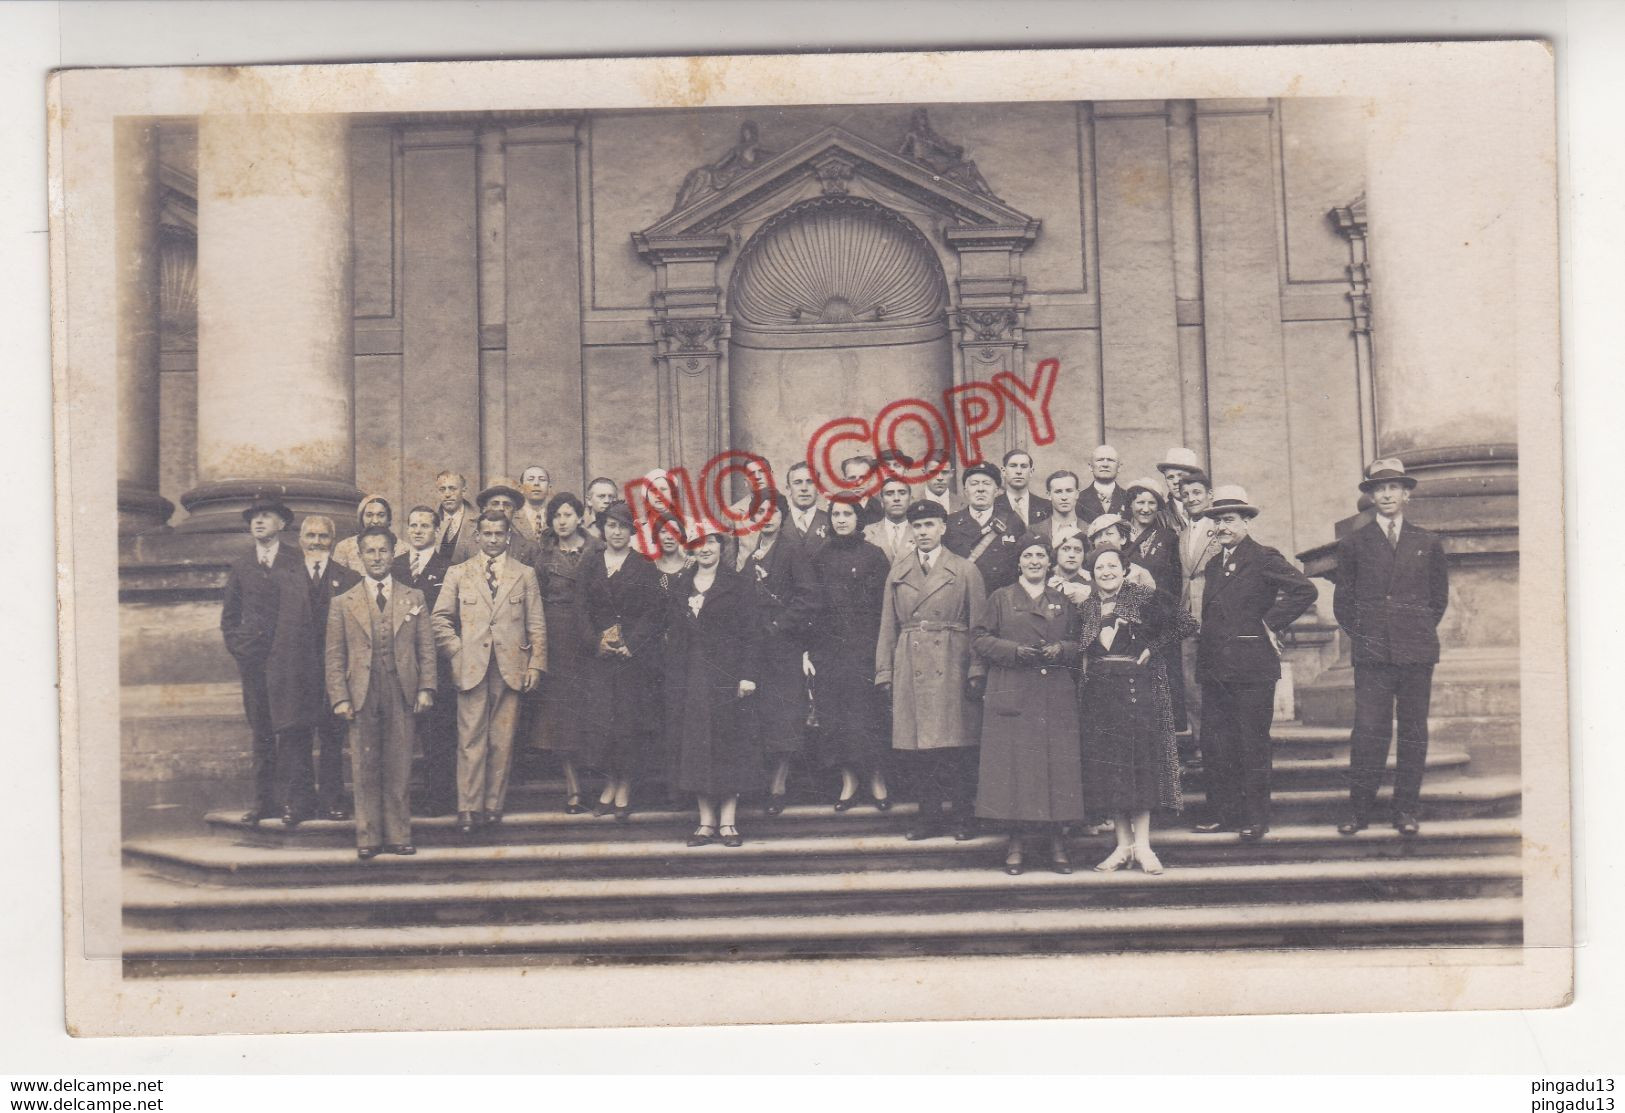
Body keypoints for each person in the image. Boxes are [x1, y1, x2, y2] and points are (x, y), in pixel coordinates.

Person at [1333, 459, 1450, 837]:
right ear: (1370, 495)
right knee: (1368, 730)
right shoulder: (1354, 543)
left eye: (1394, 488)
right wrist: (1370, 635)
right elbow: (1343, 604)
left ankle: (1406, 811)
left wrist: (1411, 630)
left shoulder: (1427, 542)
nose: (1386, 494)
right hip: (1373, 655)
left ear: (1406, 494)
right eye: (1379, 489)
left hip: (1416, 652)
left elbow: (1438, 599)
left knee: (1413, 731)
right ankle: (1360, 810)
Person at [1194, 486, 1317, 841]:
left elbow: (1304, 590)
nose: (1222, 527)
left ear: (1246, 521)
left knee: (1252, 744)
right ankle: (1224, 815)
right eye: (1217, 521)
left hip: (1251, 668)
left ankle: (1256, 818)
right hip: (1216, 668)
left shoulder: (1264, 557)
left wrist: (1270, 622)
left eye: (1229, 520)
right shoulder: (1215, 564)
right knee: (1218, 744)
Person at [1078, 545, 1195, 874]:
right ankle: (1121, 846)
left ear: (1124, 569)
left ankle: (1143, 846)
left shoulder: (1144, 596)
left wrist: (1151, 647)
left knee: (1138, 768)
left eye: (1113, 566)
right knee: (1111, 772)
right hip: (1100, 698)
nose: (1107, 572)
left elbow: (1186, 623)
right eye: (1100, 567)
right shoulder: (1086, 607)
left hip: (1138, 693)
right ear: (1091, 573)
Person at [876, 499, 989, 842]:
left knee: (956, 745)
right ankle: (928, 816)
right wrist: (885, 672)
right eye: (918, 526)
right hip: (911, 662)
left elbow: (979, 625)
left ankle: (962, 816)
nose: (923, 532)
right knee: (920, 747)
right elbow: (887, 626)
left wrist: (977, 669)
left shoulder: (965, 570)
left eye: (930, 525)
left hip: (953, 661)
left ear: (943, 528)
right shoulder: (898, 571)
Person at [972, 535, 1086, 875]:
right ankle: (1015, 844)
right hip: (1013, 689)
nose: (1034, 561)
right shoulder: (1001, 598)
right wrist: (1013, 652)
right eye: (1028, 555)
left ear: (1049, 562)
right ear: (1018, 562)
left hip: (1054, 694)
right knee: (1014, 770)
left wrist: (1063, 649)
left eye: (1040, 555)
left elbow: (1081, 640)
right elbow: (979, 637)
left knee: (1056, 769)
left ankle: (1057, 843)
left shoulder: (1062, 600)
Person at [324, 526, 437, 860]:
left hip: (402, 688)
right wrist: (340, 696)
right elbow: (334, 654)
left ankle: (399, 834)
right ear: (360, 557)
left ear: (393, 554)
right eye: (370, 551)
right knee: (365, 765)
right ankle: (368, 837)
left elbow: (426, 648)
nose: (377, 557)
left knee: (399, 764)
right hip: (361, 689)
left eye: (383, 551)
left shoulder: (413, 597)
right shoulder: (343, 602)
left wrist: (427, 687)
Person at [431, 509, 547, 832]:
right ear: (477, 536)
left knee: (502, 739)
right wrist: (456, 650)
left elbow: (536, 623)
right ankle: (468, 807)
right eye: (488, 534)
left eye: (499, 534)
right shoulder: (459, 573)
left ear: (508, 537)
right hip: (471, 666)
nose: (493, 539)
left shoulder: (524, 574)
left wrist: (536, 663)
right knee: (470, 739)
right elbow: (439, 618)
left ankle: (493, 804)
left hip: (511, 666)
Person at [220, 497, 319, 827]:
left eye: (266, 516)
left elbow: (308, 612)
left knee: (293, 730)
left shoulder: (297, 560)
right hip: (255, 665)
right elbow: (229, 618)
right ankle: (265, 803)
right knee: (261, 731)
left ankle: (297, 802)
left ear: (282, 524)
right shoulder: (241, 565)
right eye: (254, 518)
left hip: (290, 662)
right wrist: (241, 649)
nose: (259, 522)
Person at [663, 529, 761, 848]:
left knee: (727, 745)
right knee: (696, 747)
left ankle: (729, 822)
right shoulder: (681, 584)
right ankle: (705, 821)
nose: (704, 549)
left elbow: (750, 633)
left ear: (721, 546)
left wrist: (747, 675)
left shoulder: (738, 584)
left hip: (726, 676)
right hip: (690, 676)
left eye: (711, 542)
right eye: (697, 543)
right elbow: (674, 634)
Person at [581, 500, 667, 820]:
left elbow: (655, 612)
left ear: (632, 531)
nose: (617, 532)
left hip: (632, 661)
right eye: (612, 526)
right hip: (601, 660)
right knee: (604, 724)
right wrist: (595, 642)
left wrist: (633, 643)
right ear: (603, 529)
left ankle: (625, 786)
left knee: (628, 724)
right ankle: (609, 784)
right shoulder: (590, 564)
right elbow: (580, 609)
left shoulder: (644, 565)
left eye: (623, 526)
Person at [807, 496, 893, 811]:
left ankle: (876, 780)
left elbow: (885, 608)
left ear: (859, 518)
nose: (841, 520)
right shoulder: (819, 557)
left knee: (867, 717)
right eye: (836, 515)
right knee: (835, 718)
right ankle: (849, 782)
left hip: (866, 650)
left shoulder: (874, 555)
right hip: (830, 652)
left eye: (847, 514)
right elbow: (812, 606)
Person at [739, 494, 819, 814]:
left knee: (784, 713)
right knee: (760, 713)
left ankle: (779, 783)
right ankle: (762, 779)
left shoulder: (792, 551)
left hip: (784, 645)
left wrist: (779, 625)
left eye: (773, 512)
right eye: (760, 512)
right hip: (755, 645)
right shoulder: (750, 554)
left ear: (782, 516)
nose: (767, 517)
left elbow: (809, 598)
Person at [526, 493, 604, 814]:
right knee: (560, 714)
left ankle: (598, 783)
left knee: (592, 709)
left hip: (591, 635)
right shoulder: (543, 555)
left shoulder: (597, 550)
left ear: (581, 517)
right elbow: (536, 600)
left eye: (568, 514)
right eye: (556, 515)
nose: (561, 521)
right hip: (557, 635)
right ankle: (573, 787)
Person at [296, 514, 362, 820]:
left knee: (333, 739)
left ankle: (333, 800)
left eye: (323, 536)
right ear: (301, 540)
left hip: (334, 671)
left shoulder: (348, 579)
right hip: (298, 672)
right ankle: (300, 803)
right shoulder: (287, 576)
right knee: (297, 738)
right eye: (311, 536)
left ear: (332, 541)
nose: (316, 542)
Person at [392, 505, 457, 816]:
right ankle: (398, 801)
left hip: (437, 662)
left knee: (437, 735)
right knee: (400, 733)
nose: (418, 530)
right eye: (413, 525)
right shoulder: (394, 567)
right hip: (400, 661)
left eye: (425, 526)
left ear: (436, 531)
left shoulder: (449, 568)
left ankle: (438, 798)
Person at [944, 461, 1022, 593]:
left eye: (987, 483)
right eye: (974, 484)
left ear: (996, 491)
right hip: (963, 597)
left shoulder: (1013, 521)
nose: (980, 489)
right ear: (965, 491)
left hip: (1001, 599)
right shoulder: (950, 523)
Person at [332, 494, 407, 573]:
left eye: (381, 515)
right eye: (369, 515)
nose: (375, 521)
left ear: (388, 518)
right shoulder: (344, 548)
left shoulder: (403, 549)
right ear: (361, 518)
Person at [475, 478, 538, 568]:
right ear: (484, 509)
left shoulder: (530, 549)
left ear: (515, 511)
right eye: (495, 504)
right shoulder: (467, 544)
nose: (501, 508)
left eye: (507, 505)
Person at [862, 474, 916, 566]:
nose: (896, 498)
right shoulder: (866, 533)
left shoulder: (920, 531)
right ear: (882, 502)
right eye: (889, 494)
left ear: (910, 500)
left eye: (902, 493)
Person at [434, 470, 480, 566]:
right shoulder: (431, 521)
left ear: (464, 491)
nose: (447, 494)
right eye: (442, 489)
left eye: (452, 489)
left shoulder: (479, 521)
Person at [782, 460, 831, 546]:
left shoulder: (831, 521)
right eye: (797, 482)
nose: (804, 488)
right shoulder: (777, 522)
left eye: (810, 482)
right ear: (789, 489)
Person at [999, 449, 1052, 527]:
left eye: (1024, 466)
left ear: (1031, 472)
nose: (1019, 471)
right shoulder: (993, 505)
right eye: (1013, 466)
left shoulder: (1047, 506)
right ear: (1003, 471)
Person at [1078, 444, 1130, 522]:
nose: (1105, 464)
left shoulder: (1130, 499)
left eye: (1110, 460)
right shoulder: (1078, 500)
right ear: (1090, 466)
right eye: (1100, 460)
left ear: (1119, 467)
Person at [1157, 446, 1203, 532]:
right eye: (1170, 477)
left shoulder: (1208, 510)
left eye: (1181, 475)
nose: (1175, 481)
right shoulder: (1160, 516)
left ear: (1193, 477)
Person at [1037, 469, 1084, 548]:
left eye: (1069, 491)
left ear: (1077, 494)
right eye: (1058, 492)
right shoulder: (1035, 531)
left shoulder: (1090, 530)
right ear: (1049, 495)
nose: (1064, 497)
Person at [512, 465, 554, 550]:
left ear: (549, 488)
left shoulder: (557, 516)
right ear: (521, 488)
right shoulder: (511, 517)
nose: (536, 483)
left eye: (542, 480)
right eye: (531, 479)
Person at [840, 455, 885, 528]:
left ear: (871, 479)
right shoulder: (836, 508)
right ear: (845, 482)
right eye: (852, 478)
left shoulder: (880, 509)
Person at [583, 476, 619, 541]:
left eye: (611, 497)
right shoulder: (579, 528)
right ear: (589, 501)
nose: (607, 501)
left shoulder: (625, 528)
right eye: (601, 496)